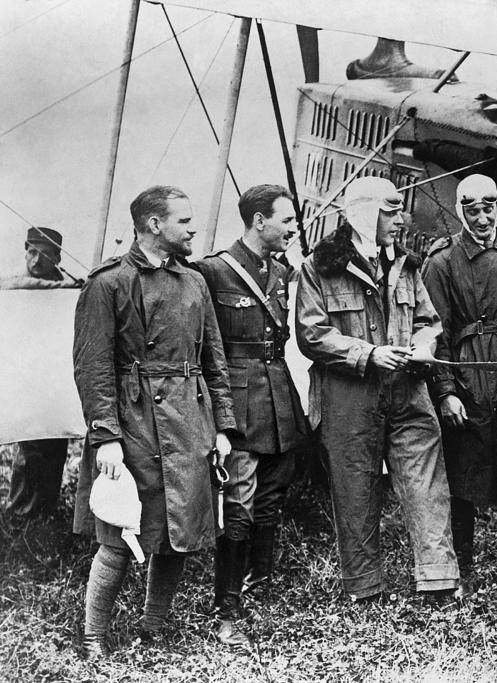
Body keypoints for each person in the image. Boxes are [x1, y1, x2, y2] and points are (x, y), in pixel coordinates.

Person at [72, 186, 237, 658]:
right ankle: (93, 638)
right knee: (122, 533)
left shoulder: (194, 281)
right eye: (183, 221)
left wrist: (222, 426)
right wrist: (106, 436)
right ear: (152, 225)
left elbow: (214, 358)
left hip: (190, 419)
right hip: (133, 420)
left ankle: (153, 626)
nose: (193, 228)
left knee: (177, 531)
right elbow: (93, 364)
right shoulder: (108, 283)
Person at [295, 176, 459, 605]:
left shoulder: (406, 263)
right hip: (349, 398)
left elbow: (427, 319)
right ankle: (365, 588)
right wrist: (368, 355)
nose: (401, 220)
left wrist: (424, 346)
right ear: (365, 212)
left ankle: (439, 581)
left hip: (408, 391)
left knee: (428, 484)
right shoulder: (319, 266)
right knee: (355, 489)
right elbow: (311, 333)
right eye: (391, 210)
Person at [194, 185, 309, 645]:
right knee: (237, 503)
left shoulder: (281, 270)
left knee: (274, 489)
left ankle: (259, 577)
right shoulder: (213, 271)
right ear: (259, 221)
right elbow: (204, 346)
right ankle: (227, 610)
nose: (293, 229)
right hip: (237, 401)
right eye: (286, 221)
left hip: (277, 395)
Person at [422, 174, 497, 584]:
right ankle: (461, 562)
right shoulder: (441, 262)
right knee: (462, 470)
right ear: (458, 210)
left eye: (488, 205)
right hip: (467, 372)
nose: (481, 215)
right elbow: (433, 333)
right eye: (471, 207)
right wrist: (445, 392)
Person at [2, 227, 81, 518]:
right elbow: (13, 284)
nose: (35, 259)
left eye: (43, 253)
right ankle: (19, 513)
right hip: (27, 379)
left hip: (55, 382)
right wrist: (61, 289)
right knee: (31, 447)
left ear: (57, 257)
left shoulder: (66, 289)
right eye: (31, 251)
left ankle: (45, 510)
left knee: (55, 447)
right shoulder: (19, 285)